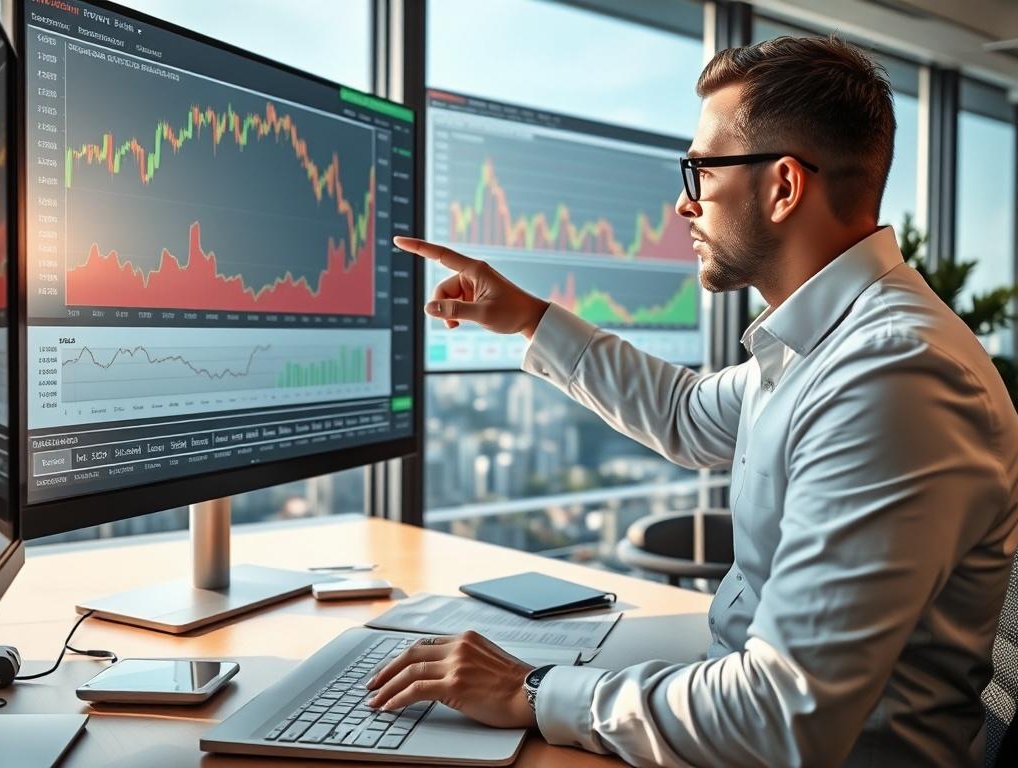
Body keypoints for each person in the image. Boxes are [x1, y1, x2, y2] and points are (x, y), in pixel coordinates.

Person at [365, 35, 1018, 767]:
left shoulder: (893, 375)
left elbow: (781, 718)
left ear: (783, 187)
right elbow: (685, 413)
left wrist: (534, 690)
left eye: (701, 170)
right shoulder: (827, 344)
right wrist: (528, 318)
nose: (683, 201)